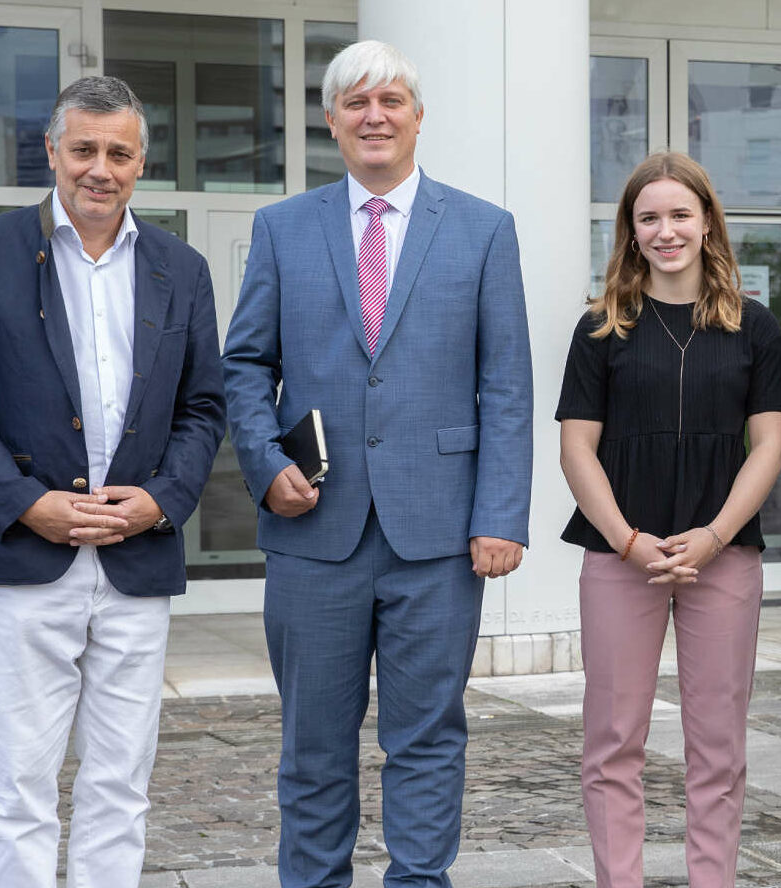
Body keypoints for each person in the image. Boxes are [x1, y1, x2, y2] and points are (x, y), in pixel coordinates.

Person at [220, 40, 533, 888]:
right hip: (311, 530)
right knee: (313, 747)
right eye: (355, 102)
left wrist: (500, 514)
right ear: (331, 122)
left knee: (427, 740)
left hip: (437, 537)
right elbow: (244, 365)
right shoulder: (283, 228)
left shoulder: (482, 230)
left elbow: (505, 386)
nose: (375, 115)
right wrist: (261, 460)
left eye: (390, 99)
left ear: (418, 117)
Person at [0, 76, 226, 888]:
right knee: (19, 783)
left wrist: (164, 498)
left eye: (119, 153)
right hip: (26, 560)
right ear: (52, 151)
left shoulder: (181, 268)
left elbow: (204, 405)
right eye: (84, 149)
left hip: (136, 563)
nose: (101, 168)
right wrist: (27, 504)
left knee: (120, 783)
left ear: (141, 163)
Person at [558, 151, 781, 888]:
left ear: (707, 222)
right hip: (621, 556)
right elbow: (576, 450)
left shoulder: (754, 326)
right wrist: (627, 541)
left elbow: (770, 444)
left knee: (717, 746)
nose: (665, 230)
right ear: (629, 230)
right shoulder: (599, 328)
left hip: (721, 556)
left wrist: (715, 535)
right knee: (612, 741)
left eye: (679, 214)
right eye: (648, 217)